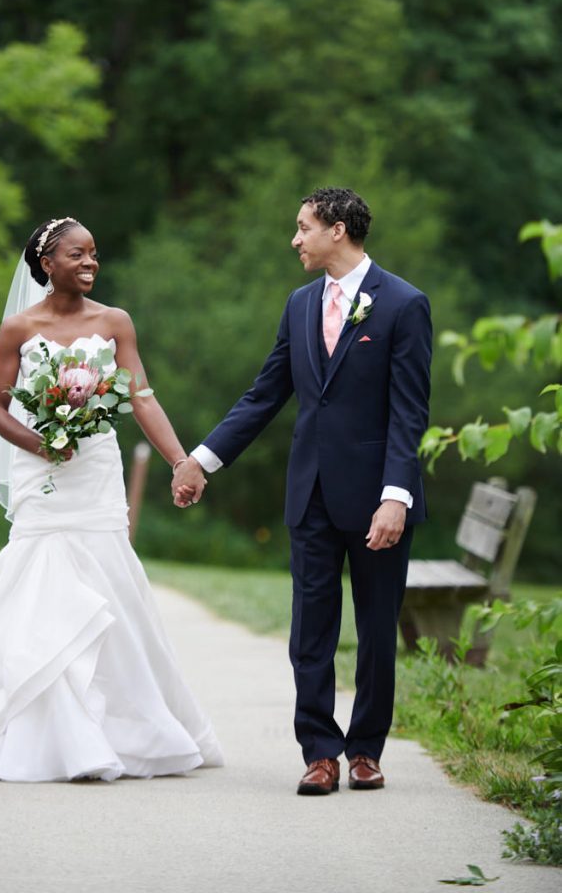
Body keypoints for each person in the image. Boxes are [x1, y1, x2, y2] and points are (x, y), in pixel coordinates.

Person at [0, 216, 223, 782]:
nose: (90, 263)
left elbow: (143, 396)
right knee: (36, 580)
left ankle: (118, 727)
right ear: (46, 263)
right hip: (41, 471)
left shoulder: (115, 322)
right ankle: (32, 725)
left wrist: (181, 460)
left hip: (96, 472)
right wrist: (41, 443)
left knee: (109, 581)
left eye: (94, 255)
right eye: (77, 255)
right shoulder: (17, 328)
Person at [173, 188, 432, 796]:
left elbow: (409, 412)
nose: (295, 240)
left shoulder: (403, 304)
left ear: (337, 230)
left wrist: (396, 495)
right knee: (309, 630)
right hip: (310, 494)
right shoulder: (298, 305)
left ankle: (366, 749)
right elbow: (264, 394)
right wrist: (201, 461)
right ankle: (319, 752)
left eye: (303, 228)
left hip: (377, 498)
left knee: (374, 629)